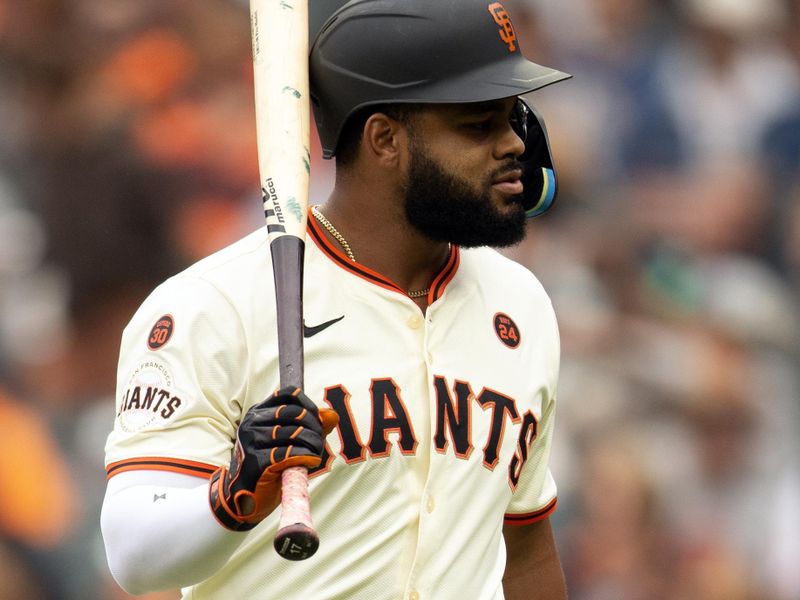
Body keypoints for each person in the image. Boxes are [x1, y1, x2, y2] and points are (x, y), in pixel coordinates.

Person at [100, 1, 571, 598]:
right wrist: (234, 493)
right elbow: (134, 555)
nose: (513, 146)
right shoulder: (215, 305)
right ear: (384, 140)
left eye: (513, 118)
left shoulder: (520, 304)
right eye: (478, 124)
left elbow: (525, 547)